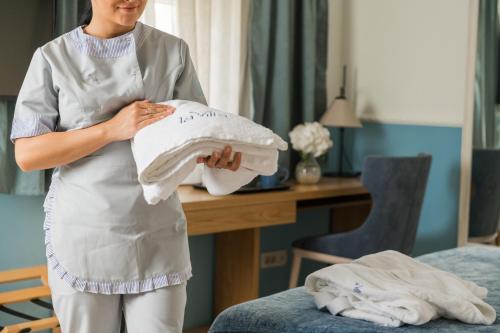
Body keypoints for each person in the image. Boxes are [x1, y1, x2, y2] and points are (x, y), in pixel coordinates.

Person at [9, 0, 242, 332]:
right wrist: (111, 129)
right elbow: (28, 154)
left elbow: (192, 131)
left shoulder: (173, 51)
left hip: (156, 231)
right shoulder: (52, 57)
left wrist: (213, 155)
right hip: (86, 232)